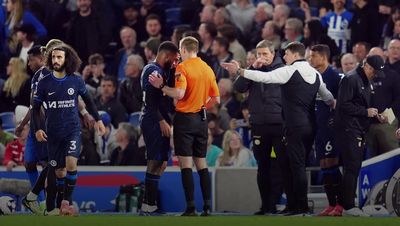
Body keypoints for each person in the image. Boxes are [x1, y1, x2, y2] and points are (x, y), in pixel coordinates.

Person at [222, 41, 335, 216]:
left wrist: (240, 71)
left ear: (295, 55)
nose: (284, 57)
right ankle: (288, 205)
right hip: (307, 126)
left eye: (287, 54)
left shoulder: (288, 70)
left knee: (294, 167)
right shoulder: (315, 73)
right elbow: (327, 97)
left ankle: (300, 207)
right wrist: (334, 105)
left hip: (290, 126)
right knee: (294, 166)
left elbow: (266, 78)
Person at [148, 36, 220, 216]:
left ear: (184, 50)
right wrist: (201, 105)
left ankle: (190, 207)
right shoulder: (208, 68)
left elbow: (179, 94)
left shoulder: (183, 67)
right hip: (201, 120)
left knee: (186, 164)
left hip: (185, 120)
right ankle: (207, 207)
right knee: (202, 163)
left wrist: (161, 85)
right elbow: (216, 99)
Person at [33, 43, 105, 216]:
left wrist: (98, 120)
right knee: (59, 171)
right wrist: (37, 129)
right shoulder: (44, 83)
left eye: (60, 57)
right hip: (53, 132)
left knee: (71, 163)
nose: (56, 60)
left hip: (72, 130)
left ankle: (66, 202)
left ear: (67, 59)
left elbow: (89, 101)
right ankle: (60, 205)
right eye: (54, 57)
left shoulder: (76, 80)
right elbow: (35, 108)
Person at [233, 40, 285, 215]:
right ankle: (266, 205)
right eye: (259, 54)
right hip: (259, 125)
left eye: (265, 54)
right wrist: (252, 68)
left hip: (279, 125)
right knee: (263, 167)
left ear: (273, 53)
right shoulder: (253, 70)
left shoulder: (283, 69)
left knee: (280, 165)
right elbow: (238, 87)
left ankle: (280, 202)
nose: (262, 57)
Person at [334, 55, 385, 217]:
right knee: (352, 166)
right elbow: (343, 105)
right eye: (375, 72)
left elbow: (359, 103)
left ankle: (343, 204)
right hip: (349, 129)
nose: (375, 75)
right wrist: (366, 112)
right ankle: (349, 206)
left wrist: (374, 114)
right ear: (367, 67)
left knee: (353, 166)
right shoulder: (351, 79)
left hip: (357, 128)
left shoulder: (363, 79)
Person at [18, 40, 62, 215]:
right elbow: (33, 105)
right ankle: (41, 203)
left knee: (50, 165)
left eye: (31, 60)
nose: (29, 64)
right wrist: (22, 125)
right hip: (35, 128)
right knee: (29, 163)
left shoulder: (54, 75)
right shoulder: (36, 77)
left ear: (41, 58)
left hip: (47, 128)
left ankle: (49, 204)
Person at [139, 41, 180, 215]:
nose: (176, 62)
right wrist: (161, 120)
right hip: (153, 119)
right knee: (155, 161)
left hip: (158, 118)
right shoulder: (152, 70)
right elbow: (150, 101)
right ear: (167, 55)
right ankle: (148, 206)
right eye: (175, 59)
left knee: (161, 162)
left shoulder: (163, 71)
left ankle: (150, 203)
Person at [308, 44, 342, 216]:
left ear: (323, 57)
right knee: (323, 164)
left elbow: (341, 103)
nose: (310, 59)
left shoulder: (334, 77)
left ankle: (341, 204)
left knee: (332, 163)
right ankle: (331, 204)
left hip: (330, 127)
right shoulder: (312, 76)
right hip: (318, 126)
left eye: (313, 56)